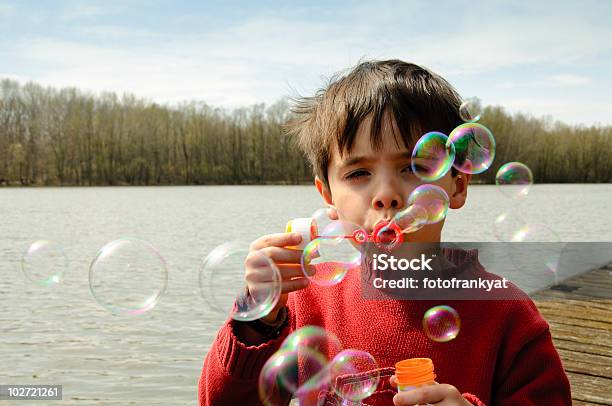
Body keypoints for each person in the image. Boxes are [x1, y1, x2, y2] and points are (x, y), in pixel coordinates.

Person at [198, 60, 572, 405]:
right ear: (327, 196)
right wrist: (256, 318)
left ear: (458, 185)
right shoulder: (303, 301)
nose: (386, 195)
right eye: (358, 174)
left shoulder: (507, 315)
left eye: (414, 167)